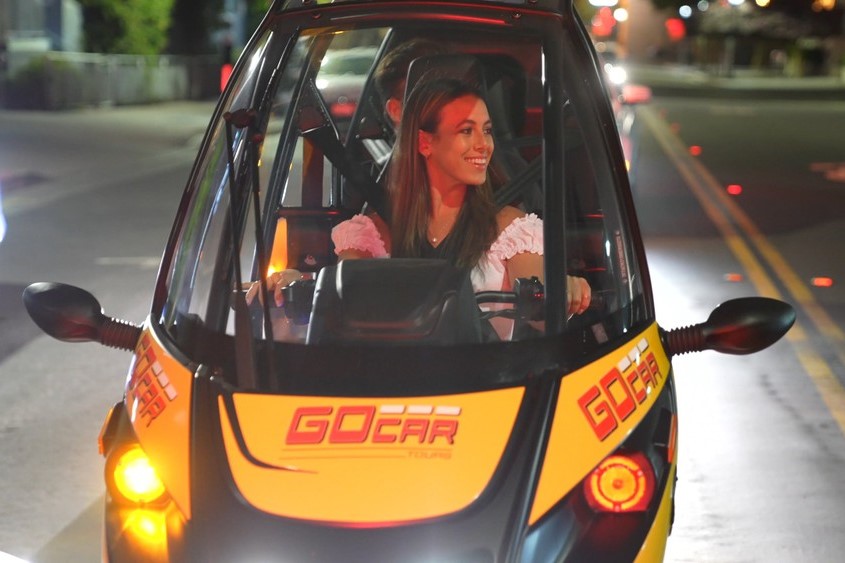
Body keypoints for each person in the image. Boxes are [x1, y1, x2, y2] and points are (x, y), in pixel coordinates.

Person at [330, 77, 591, 338]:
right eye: (466, 131)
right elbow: (340, 306)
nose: (484, 145)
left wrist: (564, 292)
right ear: (424, 143)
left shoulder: (510, 229)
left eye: (487, 130)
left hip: (488, 366)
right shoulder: (372, 234)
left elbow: (542, 311)